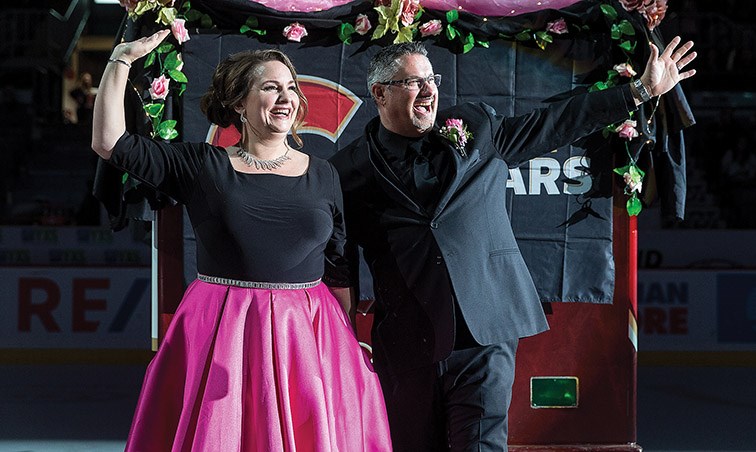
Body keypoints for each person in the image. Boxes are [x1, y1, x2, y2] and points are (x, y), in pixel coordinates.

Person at [329, 37, 697, 451]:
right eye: (414, 82)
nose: (430, 90)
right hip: (408, 344)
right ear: (380, 93)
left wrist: (640, 91)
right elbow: (337, 262)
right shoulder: (346, 172)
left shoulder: (476, 129)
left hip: (486, 334)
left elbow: (555, 122)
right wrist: (338, 339)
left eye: (432, 79)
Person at [91, 29, 392, 451]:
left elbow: (338, 261)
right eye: (271, 87)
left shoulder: (324, 173)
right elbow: (110, 143)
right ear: (238, 104)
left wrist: (342, 344)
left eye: (291, 88)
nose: (286, 97)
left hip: (307, 335)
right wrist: (120, 60)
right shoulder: (203, 165)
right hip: (224, 330)